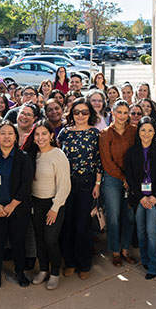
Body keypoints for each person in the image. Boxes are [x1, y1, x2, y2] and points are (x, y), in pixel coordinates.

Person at [0, 121, 33, 288]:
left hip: (17, 210)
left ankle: (19, 272)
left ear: (16, 137)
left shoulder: (23, 158)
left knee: (18, 242)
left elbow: (26, 184)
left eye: (10, 133)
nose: (7, 136)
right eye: (2, 133)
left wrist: (12, 205)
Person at [23, 120, 70, 290]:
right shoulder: (31, 155)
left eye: (44, 134)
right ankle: (43, 269)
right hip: (36, 203)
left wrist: (55, 208)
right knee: (39, 238)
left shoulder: (58, 155)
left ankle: (55, 272)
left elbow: (65, 185)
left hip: (53, 204)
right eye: (37, 134)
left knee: (50, 239)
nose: (40, 137)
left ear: (51, 135)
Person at [57, 98, 101, 280]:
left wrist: (97, 184)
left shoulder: (95, 134)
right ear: (71, 114)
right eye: (77, 112)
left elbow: (99, 160)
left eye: (84, 112)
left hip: (87, 182)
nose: (80, 115)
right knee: (67, 224)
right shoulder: (64, 133)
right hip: (66, 182)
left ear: (90, 114)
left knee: (82, 226)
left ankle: (84, 264)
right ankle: (70, 262)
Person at [124, 117, 156, 279]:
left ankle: (153, 265)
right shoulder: (132, 152)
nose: (146, 133)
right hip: (139, 198)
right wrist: (140, 197)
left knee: (151, 231)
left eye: (150, 130)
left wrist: (155, 196)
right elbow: (129, 176)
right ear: (138, 132)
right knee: (141, 231)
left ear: (155, 132)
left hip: (155, 199)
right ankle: (144, 259)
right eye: (143, 130)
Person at [99, 100, 137, 267]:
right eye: (119, 112)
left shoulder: (134, 132)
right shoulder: (105, 134)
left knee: (129, 216)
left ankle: (125, 249)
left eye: (125, 112)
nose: (122, 116)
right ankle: (115, 251)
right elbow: (106, 162)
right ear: (113, 113)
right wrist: (123, 178)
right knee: (113, 217)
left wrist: (131, 178)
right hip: (113, 180)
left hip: (132, 179)